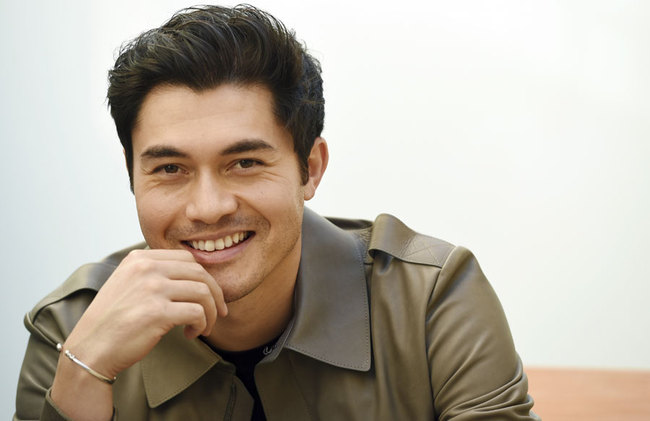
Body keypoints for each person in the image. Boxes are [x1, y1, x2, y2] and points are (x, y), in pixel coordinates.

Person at [14, 4, 539, 420]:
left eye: (243, 162)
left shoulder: (431, 300)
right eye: (170, 169)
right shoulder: (72, 327)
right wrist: (83, 375)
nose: (208, 207)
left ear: (310, 168)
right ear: (132, 179)